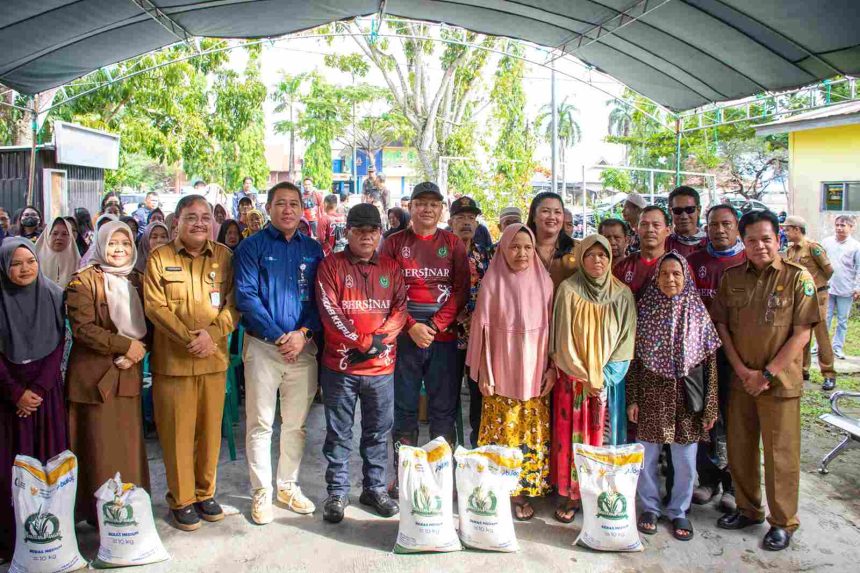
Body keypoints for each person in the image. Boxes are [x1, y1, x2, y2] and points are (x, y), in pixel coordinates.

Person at [711, 210, 819, 551]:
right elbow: (722, 327)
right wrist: (743, 372)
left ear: (779, 239)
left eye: (766, 239)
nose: (759, 246)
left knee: (780, 455)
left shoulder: (798, 278)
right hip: (742, 381)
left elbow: (801, 334)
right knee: (741, 449)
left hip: (780, 384)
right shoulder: (731, 278)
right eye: (752, 240)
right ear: (743, 241)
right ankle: (748, 508)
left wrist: (767, 373)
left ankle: (782, 522)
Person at [143, 195, 239, 532]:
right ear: (177, 221)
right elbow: (156, 307)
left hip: (213, 361)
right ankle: (181, 500)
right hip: (174, 364)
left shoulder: (225, 257)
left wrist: (212, 334)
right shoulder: (160, 257)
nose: (199, 223)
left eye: (205, 216)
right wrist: (190, 338)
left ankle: (205, 493)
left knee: (209, 433)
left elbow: (234, 303)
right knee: (177, 434)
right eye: (191, 217)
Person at [234, 182, 324, 524]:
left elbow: (322, 299)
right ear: (269, 208)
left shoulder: (314, 250)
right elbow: (246, 298)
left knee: (295, 424)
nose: (288, 209)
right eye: (280, 204)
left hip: (303, 349)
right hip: (262, 348)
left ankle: (287, 485)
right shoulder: (250, 248)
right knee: (259, 423)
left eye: (294, 204)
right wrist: (278, 336)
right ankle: (261, 492)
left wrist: (302, 335)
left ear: (302, 209)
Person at [315, 203, 406, 523]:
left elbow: (399, 310)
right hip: (340, 368)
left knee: (378, 433)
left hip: (381, 370)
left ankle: (374, 488)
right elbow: (330, 312)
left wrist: (377, 343)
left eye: (373, 230)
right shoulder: (331, 266)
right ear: (347, 232)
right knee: (339, 433)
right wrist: (366, 343)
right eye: (359, 230)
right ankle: (337, 492)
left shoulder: (392, 268)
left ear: (381, 233)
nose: (366, 236)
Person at [380, 181, 469, 496]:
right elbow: (385, 289)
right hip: (404, 340)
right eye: (421, 203)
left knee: (443, 409)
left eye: (434, 203)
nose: (427, 209)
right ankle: (403, 476)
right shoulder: (393, 243)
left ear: (442, 209)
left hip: (443, 341)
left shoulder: (453, 244)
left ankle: (439, 476)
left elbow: (461, 291)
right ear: (410, 207)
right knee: (403, 409)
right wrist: (411, 326)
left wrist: (433, 324)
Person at [628, 252, 720, 541]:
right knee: (648, 457)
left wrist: (710, 406)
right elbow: (633, 361)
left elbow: (710, 364)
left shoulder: (697, 312)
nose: (670, 279)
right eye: (664, 273)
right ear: (656, 277)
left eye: (676, 274)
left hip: (686, 397)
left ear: (686, 277)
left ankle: (679, 510)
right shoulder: (645, 309)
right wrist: (633, 398)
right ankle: (650, 508)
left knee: (685, 461)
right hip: (651, 393)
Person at [467, 224, 555, 521]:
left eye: (528, 247)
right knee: (503, 434)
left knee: (528, 434)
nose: (522, 253)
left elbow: (554, 332)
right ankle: (502, 491)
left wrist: (553, 369)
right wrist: (483, 374)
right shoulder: (492, 283)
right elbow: (480, 335)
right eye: (514, 247)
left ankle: (525, 489)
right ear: (503, 249)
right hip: (500, 377)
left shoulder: (545, 283)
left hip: (534, 377)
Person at [65, 221, 150, 523]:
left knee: (125, 449)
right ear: (100, 244)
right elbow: (83, 329)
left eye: (125, 244)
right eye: (112, 243)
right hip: (94, 378)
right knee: (97, 449)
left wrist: (139, 349)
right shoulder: (84, 281)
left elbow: (152, 324)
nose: (119, 250)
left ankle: (126, 519)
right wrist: (125, 346)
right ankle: (97, 517)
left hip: (127, 374)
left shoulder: (137, 279)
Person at [551, 235, 637, 522]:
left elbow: (627, 340)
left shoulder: (622, 294)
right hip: (574, 383)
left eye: (603, 255)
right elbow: (561, 340)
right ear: (580, 258)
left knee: (604, 439)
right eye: (591, 255)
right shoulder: (568, 290)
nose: (597, 260)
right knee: (574, 440)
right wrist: (584, 376)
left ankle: (601, 494)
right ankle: (572, 494)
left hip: (608, 384)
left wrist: (605, 378)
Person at [0, 238, 68, 560]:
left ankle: (53, 541)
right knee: (10, 470)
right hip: (7, 401)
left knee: (47, 465)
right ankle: (12, 542)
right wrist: (16, 393)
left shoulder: (54, 295)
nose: (24, 268)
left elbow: (58, 345)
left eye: (30, 261)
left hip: (45, 397)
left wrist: (38, 391)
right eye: (15, 263)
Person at [686, 204, 746, 513]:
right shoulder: (694, 261)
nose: (719, 230)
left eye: (726, 224)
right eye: (713, 224)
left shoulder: (748, 261)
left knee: (735, 419)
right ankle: (708, 479)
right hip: (699, 353)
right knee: (703, 416)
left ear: (737, 228)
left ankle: (735, 483)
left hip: (738, 354)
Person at [449, 196, 492, 446]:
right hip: (448, 336)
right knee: (447, 400)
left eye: (471, 218)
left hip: (479, 340)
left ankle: (477, 451)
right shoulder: (441, 253)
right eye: (461, 218)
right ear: (451, 221)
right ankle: (448, 451)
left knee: (478, 399)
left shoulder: (486, 256)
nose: (467, 223)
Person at [784, 215, 836, 390]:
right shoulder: (791, 251)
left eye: (787, 229)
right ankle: (803, 370)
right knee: (802, 333)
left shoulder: (813, 248)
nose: (785, 232)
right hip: (800, 298)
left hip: (817, 296)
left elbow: (828, 270)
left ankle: (828, 373)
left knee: (821, 336)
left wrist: (817, 285)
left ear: (797, 229)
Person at [821, 215, 860, 360]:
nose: (839, 228)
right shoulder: (826, 242)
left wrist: (858, 287)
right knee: (825, 318)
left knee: (842, 320)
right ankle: (820, 347)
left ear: (851, 227)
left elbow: (859, 268)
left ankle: (837, 348)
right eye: (837, 225)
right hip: (828, 287)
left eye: (843, 225)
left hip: (846, 288)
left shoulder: (856, 246)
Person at [614, 206, 671, 299]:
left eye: (656, 225)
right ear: (636, 229)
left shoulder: (678, 267)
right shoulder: (623, 267)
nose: (650, 230)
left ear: (668, 231)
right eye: (644, 224)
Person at [528, 192, 577, 289]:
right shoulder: (521, 248)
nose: (552, 217)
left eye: (557, 212)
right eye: (545, 211)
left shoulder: (578, 249)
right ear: (533, 216)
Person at [35, 217, 80, 288]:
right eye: (55, 233)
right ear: (47, 235)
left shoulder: (78, 261)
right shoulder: (34, 259)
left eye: (64, 234)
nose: (59, 237)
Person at [666, 186, 707, 257]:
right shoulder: (664, 244)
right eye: (678, 210)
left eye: (689, 209)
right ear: (670, 212)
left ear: (699, 210)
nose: (684, 216)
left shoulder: (712, 243)